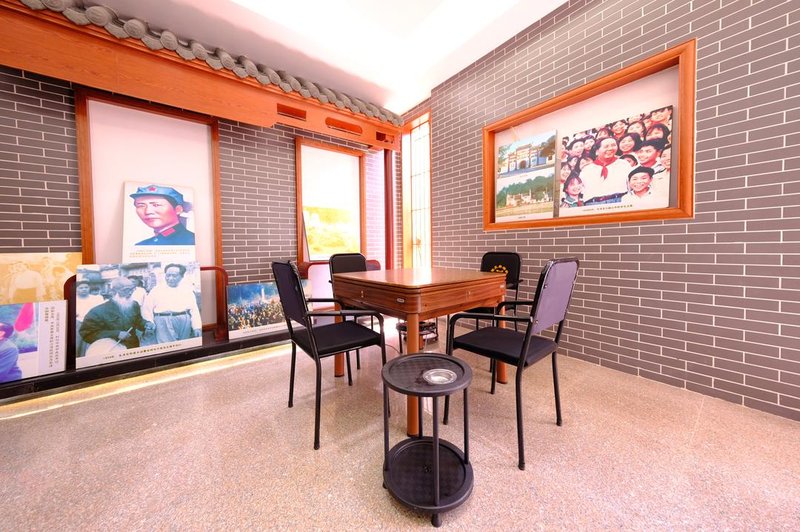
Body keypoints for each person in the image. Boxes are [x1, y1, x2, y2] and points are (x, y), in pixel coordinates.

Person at [79, 276, 149, 352]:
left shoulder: (134, 305)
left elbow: (138, 321)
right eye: (126, 290)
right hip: (111, 350)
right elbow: (87, 334)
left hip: (132, 346)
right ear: (114, 292)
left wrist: (145, 324)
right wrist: (116, 334)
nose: (130, 293)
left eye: (132, 289)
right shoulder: (98, 311)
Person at [141, 264, 202, 343]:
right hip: (163, 321)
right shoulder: (156, 290)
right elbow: (147, 308)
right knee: (167, 346)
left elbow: (194, 310)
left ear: (182, 276)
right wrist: (150, 322)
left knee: (184, 345)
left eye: (174, 276)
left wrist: (196, 327)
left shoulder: (187, 290)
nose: (170, 278)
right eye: (168, 275)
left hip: (184, 321)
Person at [130, 185, 195, 246]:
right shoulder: (141, 245)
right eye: (141, 206)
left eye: (156, 205)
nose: (147, 211)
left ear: (178, 210)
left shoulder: (191, 241)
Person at [579, 136, 631, 204]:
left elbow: (630, 184)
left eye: (613, 145)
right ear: (597, 151)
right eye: (606, 146)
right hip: (594, 204)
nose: (610, 148)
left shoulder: (623, 164)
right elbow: (581, 189)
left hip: (619, 200)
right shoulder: (587, 170)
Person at [75, 280, 105, 357]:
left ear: (89, 288)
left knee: (91, 345)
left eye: (86, 287)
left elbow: (102, 311)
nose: (84, 289)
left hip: (93, 324)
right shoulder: (74, 299)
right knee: (77, 344)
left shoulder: (96, 299)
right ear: (76, 289)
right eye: (81, 288)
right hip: (78, 323)